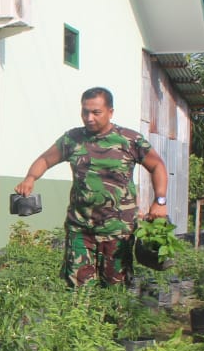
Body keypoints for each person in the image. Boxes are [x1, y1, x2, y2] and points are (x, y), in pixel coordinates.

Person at [14, 86, 168, 287]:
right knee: (76, 292)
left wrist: (160, 201)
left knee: (116, 294)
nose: (89, 118)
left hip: (118, 232)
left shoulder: (129, 140)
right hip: (80, 230)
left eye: (96, 112)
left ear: (110, 112)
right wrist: (30, 178)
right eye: (85, 112)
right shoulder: (72, 139)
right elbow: (45, 159)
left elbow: (157, 165)